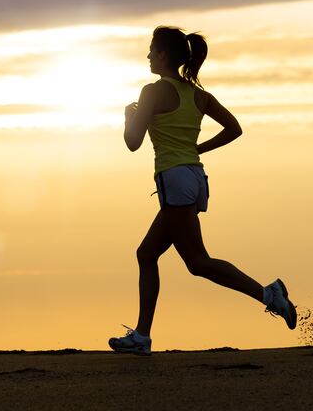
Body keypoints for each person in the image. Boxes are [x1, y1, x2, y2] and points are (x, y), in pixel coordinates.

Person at [108, 26, 297, 356]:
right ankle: (142, 335)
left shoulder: (153, 91)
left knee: (198, 261)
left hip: (175, 180)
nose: (149, 55)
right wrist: (196, 150)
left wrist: (129, 117)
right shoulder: (197, 94)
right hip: (195, 179)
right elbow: (234, 128)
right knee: (148, 254)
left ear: (165, 54)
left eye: (152, 49)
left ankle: (270, 295)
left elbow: (133, 143)